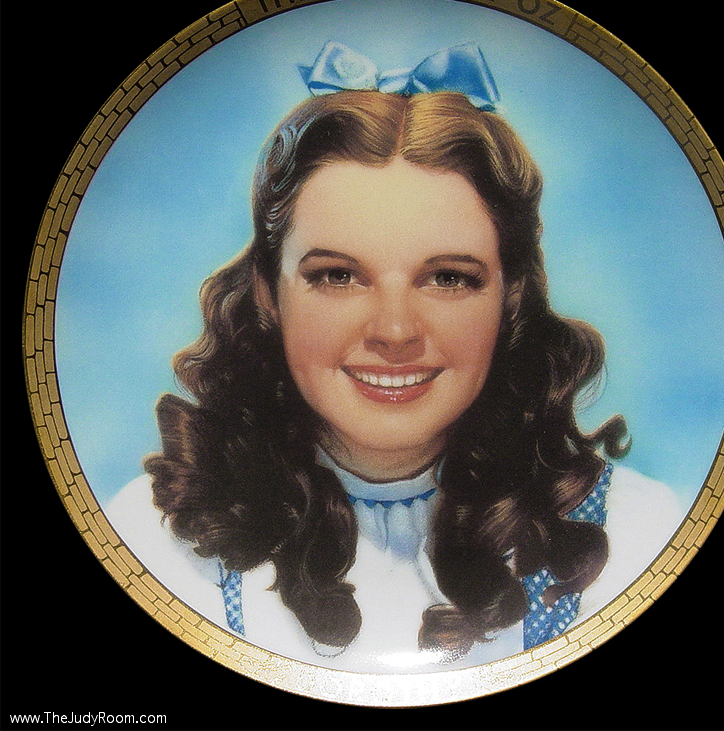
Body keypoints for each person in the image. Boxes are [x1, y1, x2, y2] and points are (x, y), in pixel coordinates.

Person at [108, 43, 682, 674]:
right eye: (337, 275)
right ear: (268, 294)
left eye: (449, 278)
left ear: (511, 295)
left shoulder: (642, 534)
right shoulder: (149, 540)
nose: (395, 330)